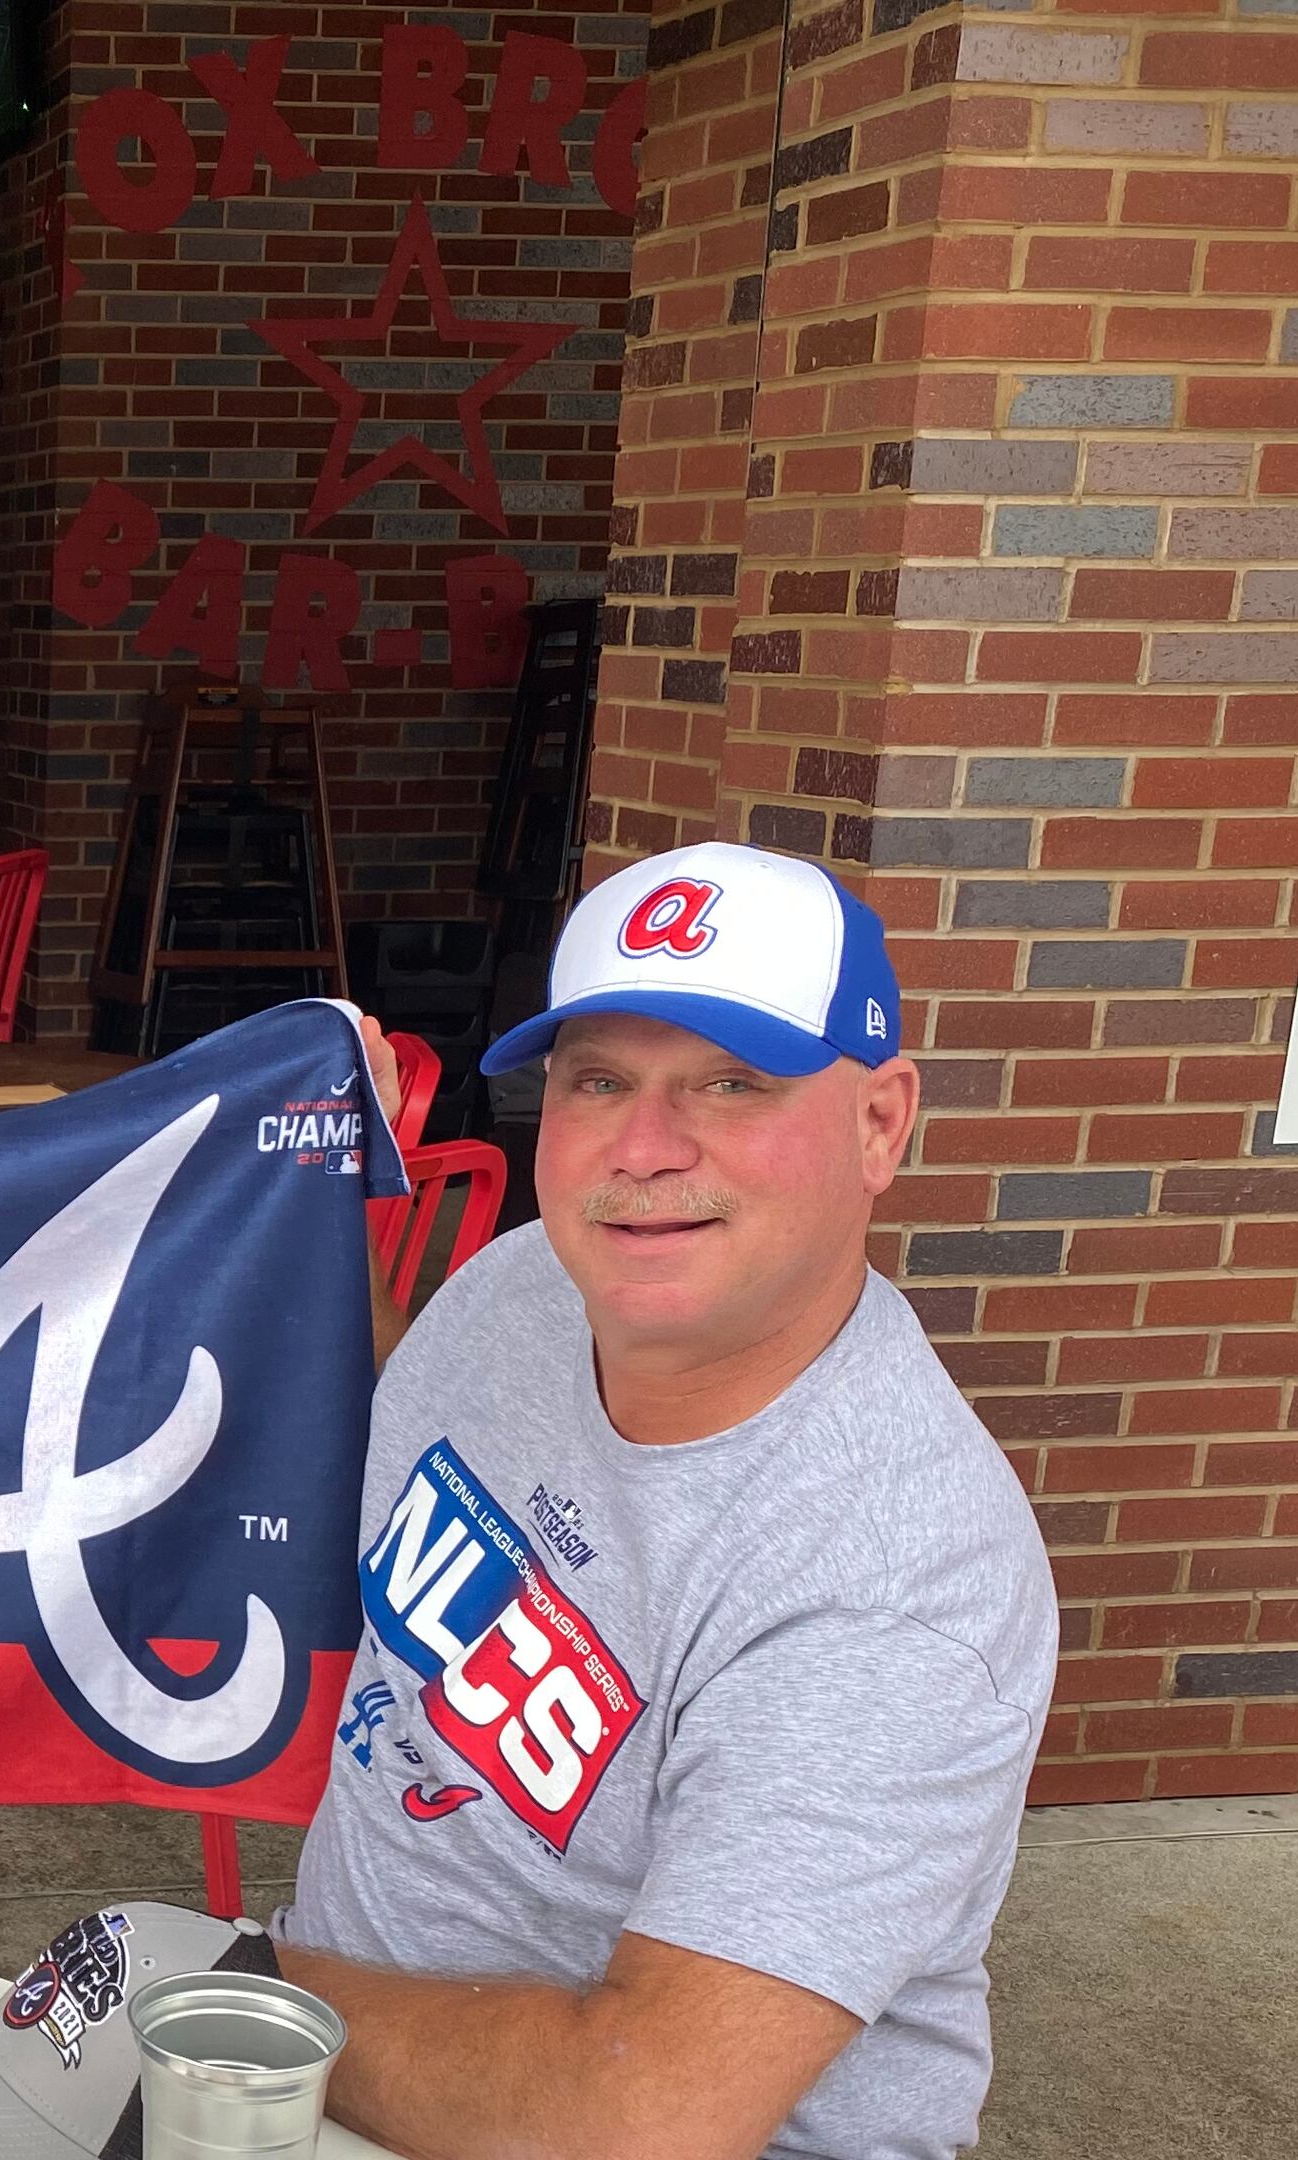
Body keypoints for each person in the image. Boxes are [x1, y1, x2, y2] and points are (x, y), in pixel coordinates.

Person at [270, 842, 1054, 2160]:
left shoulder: (892, 1588)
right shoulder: (528, 1285)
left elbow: (638, 2120)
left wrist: (249, 1997)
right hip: (354, 2079)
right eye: (599, 1081)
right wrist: (297, 1229)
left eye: (732, 1084)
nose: (642, 1149)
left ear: (880, 1124)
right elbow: (436, 1433)